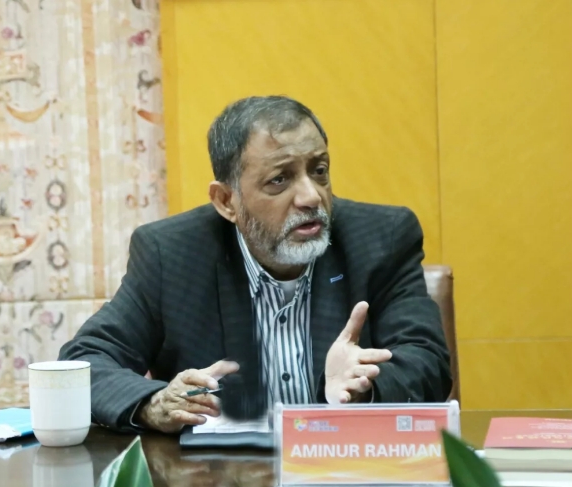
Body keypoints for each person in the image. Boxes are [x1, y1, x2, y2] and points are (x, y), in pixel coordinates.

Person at [59, 96, 451, 434]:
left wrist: (364, 387)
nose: (311, 196)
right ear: (226, 201)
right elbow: (83, 363)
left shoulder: (382, 238)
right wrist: (153, 403)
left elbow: (428, 361)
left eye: (319, 170)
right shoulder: (172, 253)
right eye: (279, 180)